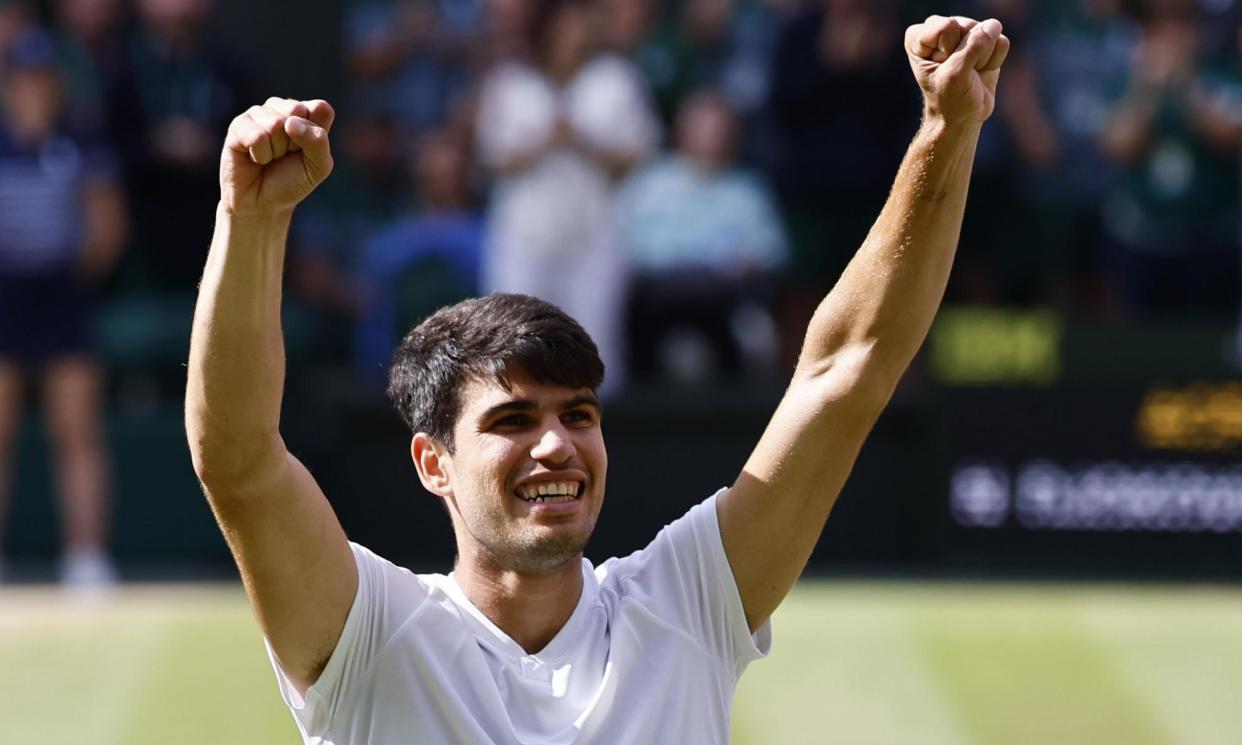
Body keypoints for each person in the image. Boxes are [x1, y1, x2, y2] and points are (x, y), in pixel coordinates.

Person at [185, 13, 1009, 743]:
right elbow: (239, 459)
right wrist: (250, 221)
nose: (557, 444)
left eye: (579, 413)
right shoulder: (370, 633)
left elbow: (846, 371)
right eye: (511, 420)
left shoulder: (683, 604)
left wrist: (947, 129)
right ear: (433, 461)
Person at [0, 27, 126, 586]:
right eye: (22, 80)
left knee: (76, 431)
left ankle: (86, 557)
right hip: (5, 298)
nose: (32, 90)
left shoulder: (82, 144)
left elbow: (106, 228)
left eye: (41, 79)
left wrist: (71, 269)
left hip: (63, 299)